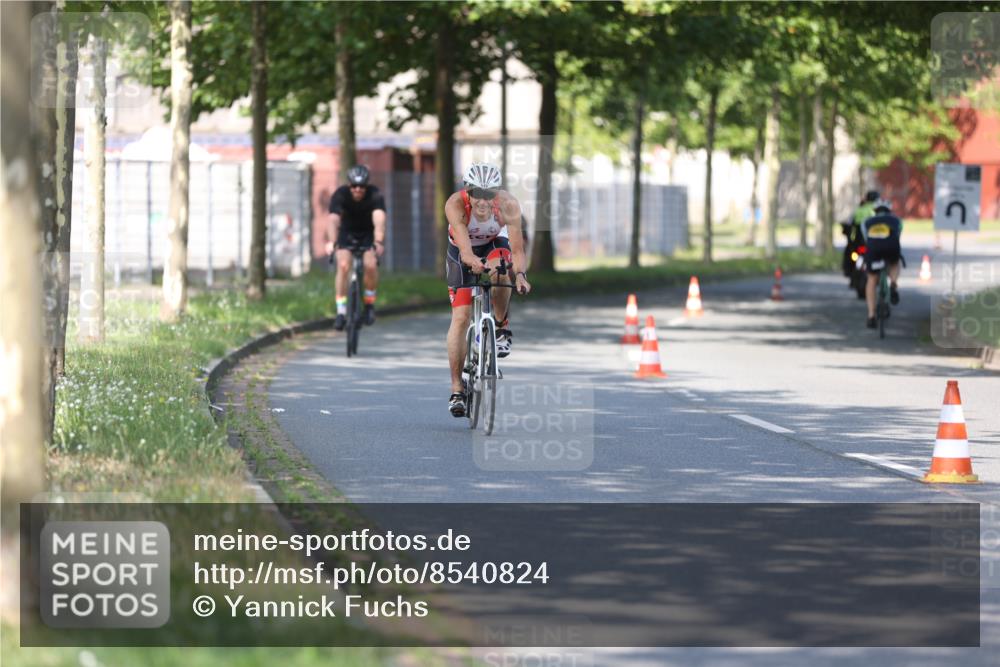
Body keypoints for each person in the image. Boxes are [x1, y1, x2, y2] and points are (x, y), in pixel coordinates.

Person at [444, 162, 531, 418]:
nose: (483, 201)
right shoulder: (455, 205)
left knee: (502, 269)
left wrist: (521, 276)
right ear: (468, 191)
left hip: (495, 243)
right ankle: (457, 388)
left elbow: (517, 251)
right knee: (460, 318)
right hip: (462, 251)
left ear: (497, 193)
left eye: (489, 194)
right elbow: (466, 250)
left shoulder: (508, 205)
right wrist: (473, 262)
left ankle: (501, 327)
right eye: (477, 194)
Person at [326, 165, 385, 329]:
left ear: (367, 186)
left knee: (371, 265)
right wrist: (331, 241)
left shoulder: (375, 194)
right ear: (349, 185)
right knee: (343, 265)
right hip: (347, 233)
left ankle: (369, 304)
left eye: (362, 186)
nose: (358, 189)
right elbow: (333, 219)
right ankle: (341, 311)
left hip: (368, 234)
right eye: (354, 186)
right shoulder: (340, 194)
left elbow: (379, 218)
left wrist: (379, 241)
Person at [860, 199, 904, 328]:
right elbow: (898, 235)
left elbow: (865, 239)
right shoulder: (896, 220)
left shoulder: (867, 222)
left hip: (874, 250)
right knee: (895, 262)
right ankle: (894, 284)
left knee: (872, 279)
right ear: (889, 211)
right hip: (891, 247)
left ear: (875, 211)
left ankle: (871, 315)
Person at [843, 189, 880, 277]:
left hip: (858, 241)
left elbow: (848, 223)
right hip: (874, 241)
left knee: (850, 254)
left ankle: (848, 272)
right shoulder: (878, 209)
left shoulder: (859, 210)